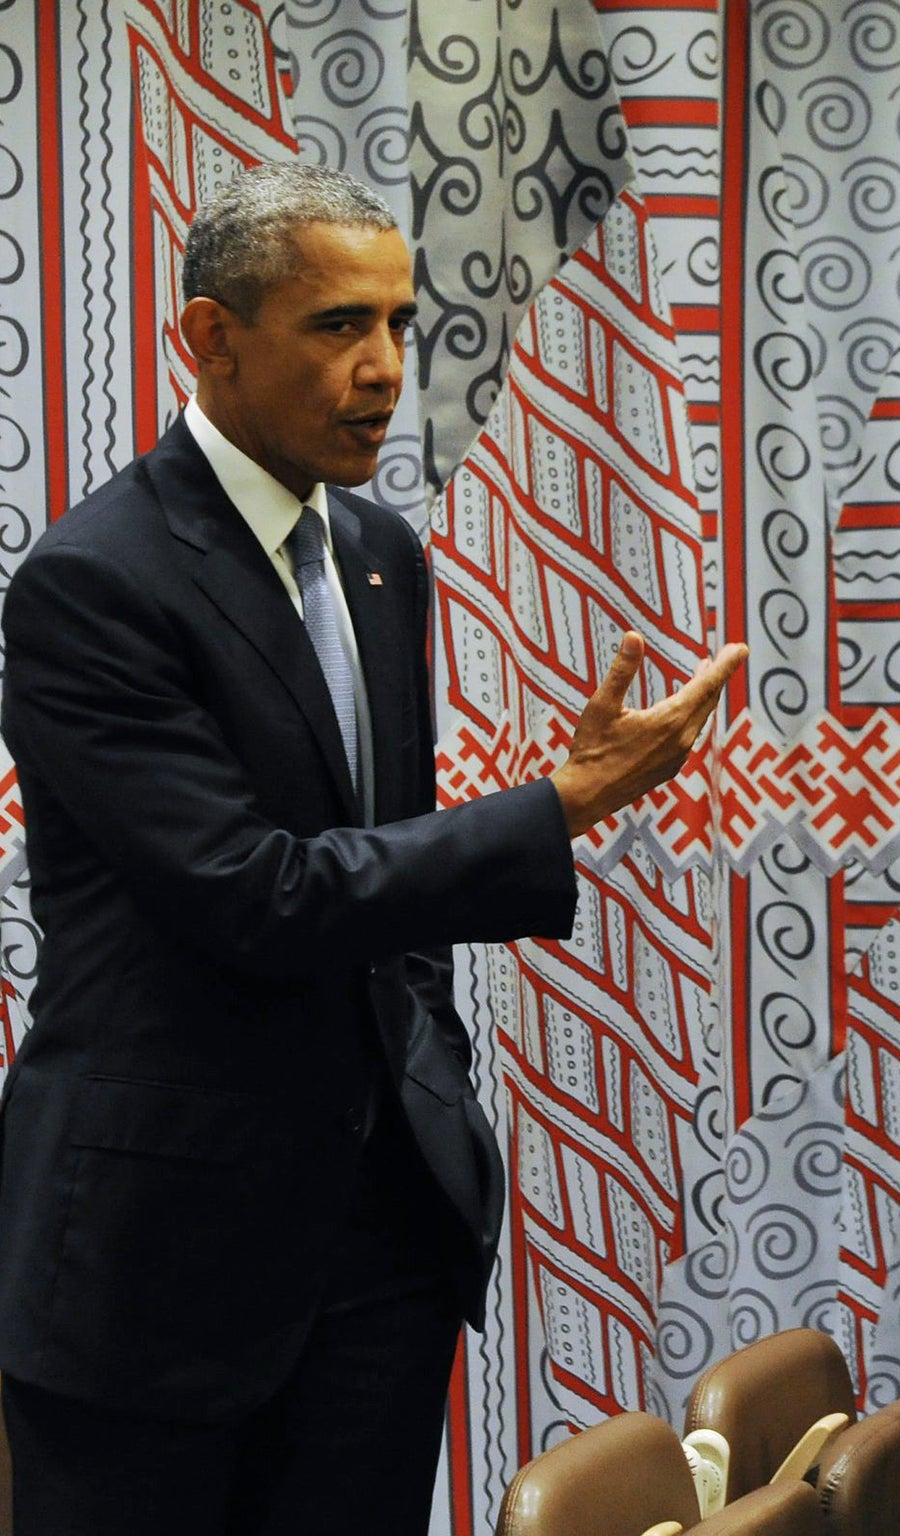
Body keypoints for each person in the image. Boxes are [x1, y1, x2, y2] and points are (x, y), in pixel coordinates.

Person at [0, 164, 744, 1533]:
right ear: (210, 340)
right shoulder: (93, 582)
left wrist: (437, 1115)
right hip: (158, 1263)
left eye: (401, 324)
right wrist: (560, 805)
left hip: (380, 1246)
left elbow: (381, 886)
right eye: (339, 326)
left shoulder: (382, 552)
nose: (385, 369)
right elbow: (257, 895)